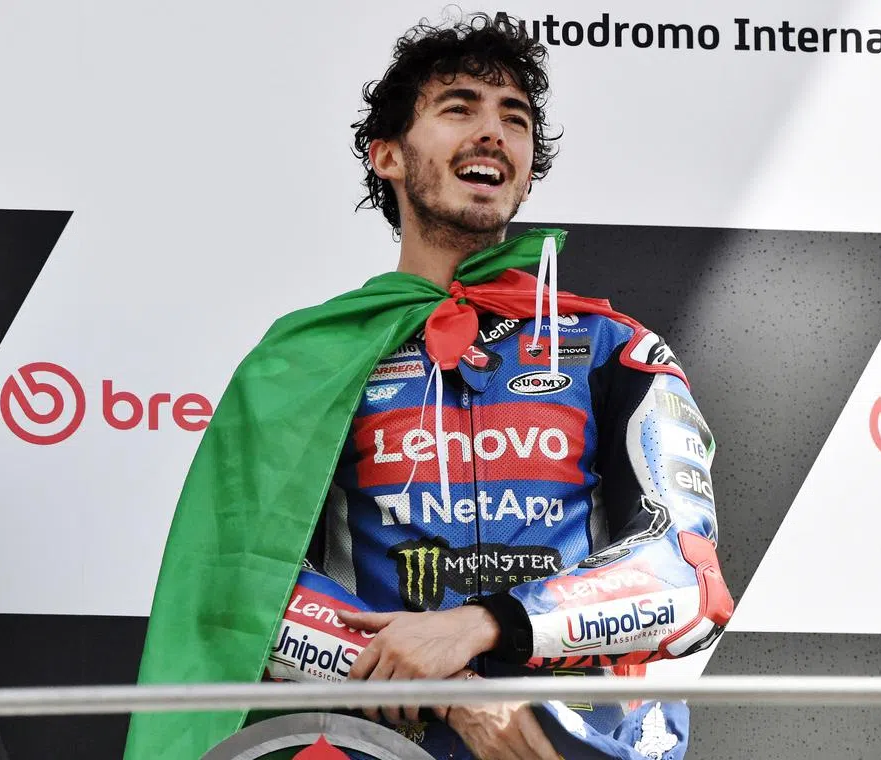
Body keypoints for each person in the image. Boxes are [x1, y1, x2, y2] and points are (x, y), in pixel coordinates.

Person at [285, 11, 734, 760]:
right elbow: (247, 589)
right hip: (384, 743)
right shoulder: (314, 363)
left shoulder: (614, 347)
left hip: (576, 740)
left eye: (514, 118)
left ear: (526, 168)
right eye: (459, 108)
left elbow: (689, 574)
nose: (493, 131)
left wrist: (484, 624)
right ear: (388, 154)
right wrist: (455, 695)